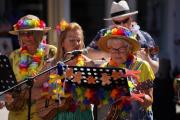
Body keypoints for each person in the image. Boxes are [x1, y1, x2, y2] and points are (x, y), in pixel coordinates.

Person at [4, 14, 57, 120]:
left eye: (32, 33)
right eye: (23, 33)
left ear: (40, 34)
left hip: (42, 114)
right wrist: (8, 96)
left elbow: (58, 84)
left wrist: (35, 92)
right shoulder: (14, 55)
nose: (27, 37)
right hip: (17, 115)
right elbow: (8, 85)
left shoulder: (51, 52)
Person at [97, 26, 155, 120]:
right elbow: (98, 101)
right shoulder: (104, 68)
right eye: (113, 49)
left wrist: (139, 97)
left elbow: (149, 100)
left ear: (129, 49)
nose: (117, 53)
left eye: (121, 49)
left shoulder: (142, 66)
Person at [87, 0, 159, 74]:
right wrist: (107, 54)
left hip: (136, 82)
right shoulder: (103, 34)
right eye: (117, 22)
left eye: (125, 20)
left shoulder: (145, 37)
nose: (122, 25)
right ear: (112, 21)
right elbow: (88, 53)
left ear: (130, 18)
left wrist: (147, 59)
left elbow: (155, 69)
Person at [50, 20, 94, 120]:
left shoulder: (88, 64)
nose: (76, 43)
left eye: (79, 40)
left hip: (82, 114)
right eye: (72, 40)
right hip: (59, 115)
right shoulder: (52, 64)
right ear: (62, 43)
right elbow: (36, 86)